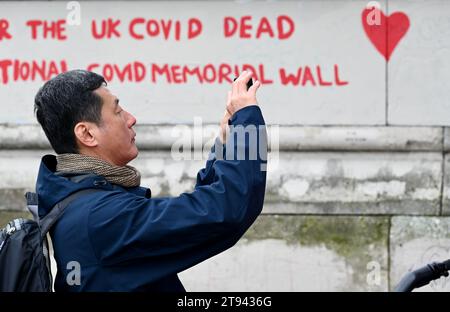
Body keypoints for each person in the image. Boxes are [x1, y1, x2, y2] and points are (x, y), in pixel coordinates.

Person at [33, 69, 267, 291]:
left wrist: (227, 143)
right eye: (117, 111)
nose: (131, 118)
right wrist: (247, 124)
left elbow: (201, 216)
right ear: (87, 134)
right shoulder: (101, 217)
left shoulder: (86, 205)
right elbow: (225, 211)